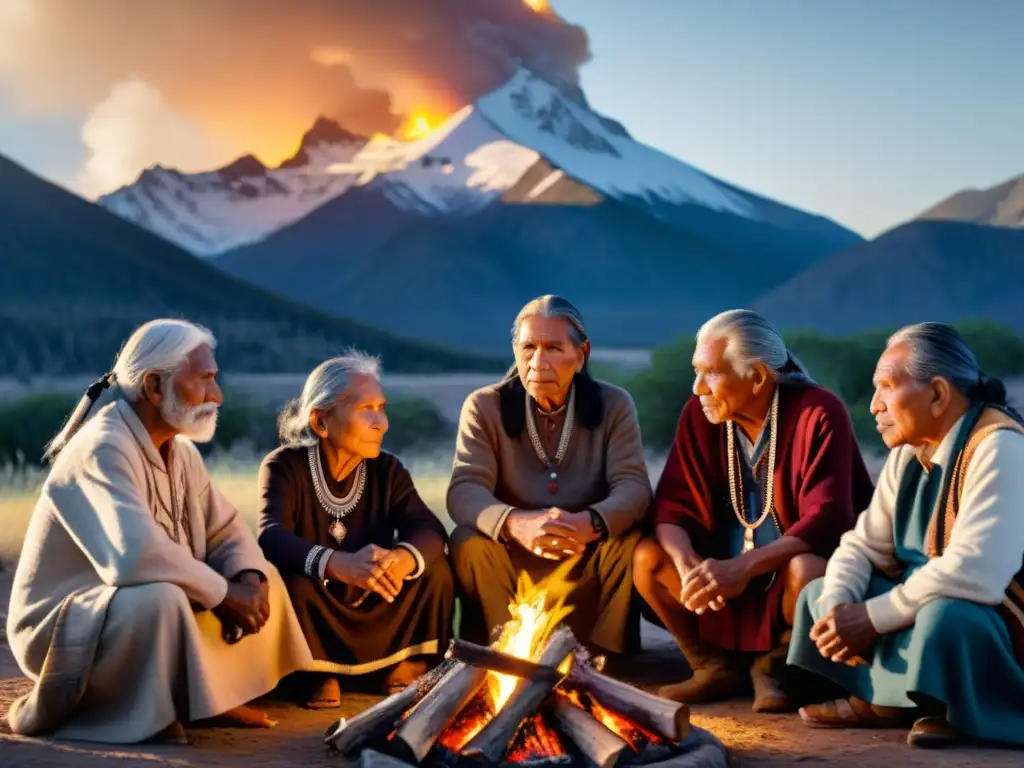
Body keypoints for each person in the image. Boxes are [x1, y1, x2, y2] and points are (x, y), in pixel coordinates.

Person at [5, 319, 312, 745]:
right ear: (154, 386)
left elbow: (225, 528)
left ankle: (208, 695)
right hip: (64, 624)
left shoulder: (180, 452)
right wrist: (221, 593)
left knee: (268, 578)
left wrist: (246, 578)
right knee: (164, 598)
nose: (217, 396)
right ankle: (147, 710)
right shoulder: (102, 447)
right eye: (204, 380)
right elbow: (133, 556)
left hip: (136, 606)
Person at [790, 322, 1024, 748]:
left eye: (885, 387)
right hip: (915, 600)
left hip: (990, 618)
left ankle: (945, 707)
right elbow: (863, 545)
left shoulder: (999, 446)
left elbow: (974, 572)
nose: (874, 405)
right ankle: (891, 700)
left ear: (937, 393)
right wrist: (842, 607)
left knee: (945, 618)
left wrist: (870, 619)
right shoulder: (909, 452)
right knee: (819, 589)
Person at [633, 309, 873, 712]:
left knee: (811, 572)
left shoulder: (818, 410)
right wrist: (688, 561)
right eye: (696, 371)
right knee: (648, 559)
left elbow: (829, 518)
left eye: (710, 373)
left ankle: (773, 668)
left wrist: (742, 569)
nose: (696, 389)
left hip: (782, 583)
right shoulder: (701, 414)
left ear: (758, 377)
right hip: (720, 583)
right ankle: (713, 667)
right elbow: (671, 505)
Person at [447, 295, 652, 657]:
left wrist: (590, 523)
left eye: (554, 348)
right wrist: (516, 524)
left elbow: (633, 487)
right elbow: (465, 490)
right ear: (515, 350)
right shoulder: (484, 406)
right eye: (528, 347)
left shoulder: (614, 404)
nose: (538, 362)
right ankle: (503, 652)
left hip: (584, 554)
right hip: (512, 558)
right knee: (469, 541)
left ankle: (605, 659)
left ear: (581, 353)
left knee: (629, 539)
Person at [257, 352, 453, 709]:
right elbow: (271, 535)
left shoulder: (387, 470)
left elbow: (428, 527)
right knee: (290, 579)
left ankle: (403, 662)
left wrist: (400, 560)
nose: (383, 423)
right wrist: (338, 563)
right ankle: (316, 672)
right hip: (321, 603)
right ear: (320, 421)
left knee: (433, 565)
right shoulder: (285, 466)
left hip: (375, 600)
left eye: (383, 408)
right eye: (367, 409)